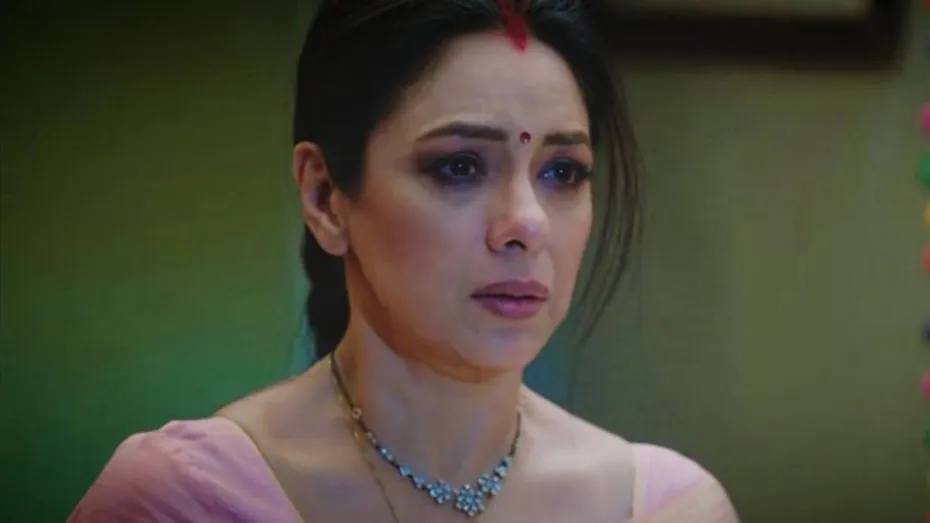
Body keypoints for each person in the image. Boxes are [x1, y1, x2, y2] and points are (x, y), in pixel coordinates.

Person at [68, 1, 739, 521]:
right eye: (459, 166)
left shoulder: (664, 508)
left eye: (562, 171)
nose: (528, 223)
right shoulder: (183, 500)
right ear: (325, 197)